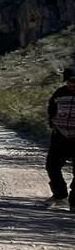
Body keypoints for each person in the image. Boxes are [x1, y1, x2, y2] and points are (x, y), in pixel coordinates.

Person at [45, 66, 75, 211]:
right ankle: (60, 195)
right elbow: (51, 108)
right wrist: (53, 123)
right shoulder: (60, 93)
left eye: (74, 81)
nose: (71, 84)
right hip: (60, 137)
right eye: (69, 81)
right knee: (52, 166)